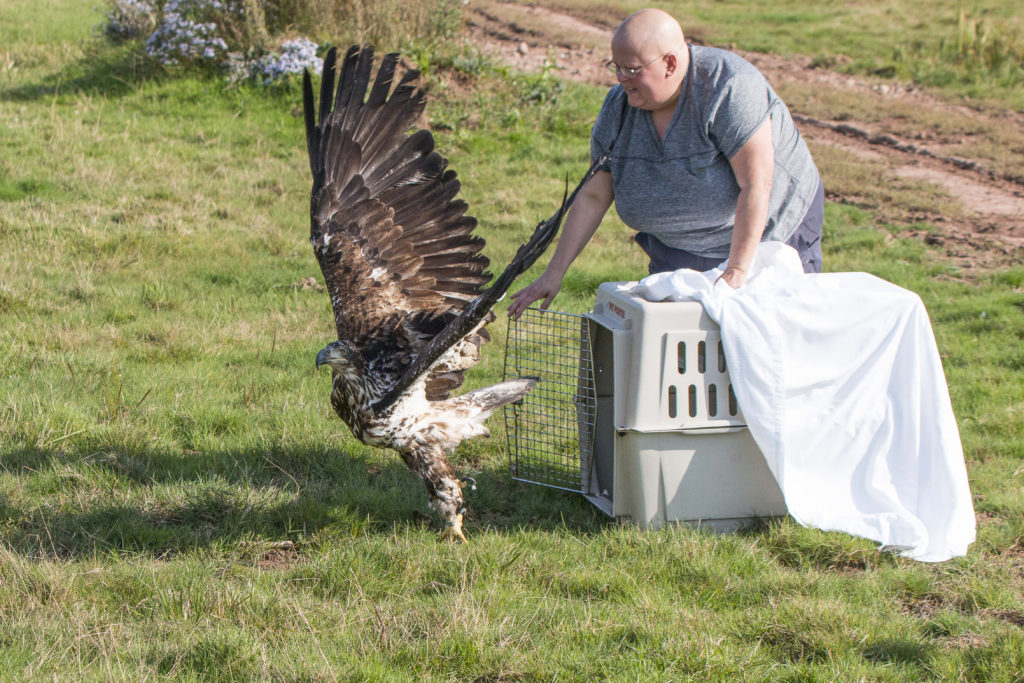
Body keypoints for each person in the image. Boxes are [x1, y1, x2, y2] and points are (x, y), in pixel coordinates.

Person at [508, 8, 824, 319]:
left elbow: (757, 183)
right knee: (680, 343)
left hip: (771, 231)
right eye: (615, 67)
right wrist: (554, 273)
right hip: (678, 246)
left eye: (630, 69)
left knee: (765, 332)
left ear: (670, 63)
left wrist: (737, 272)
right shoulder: (619, 108)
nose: (620, 78)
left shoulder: (727, 87)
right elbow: (593, 195)